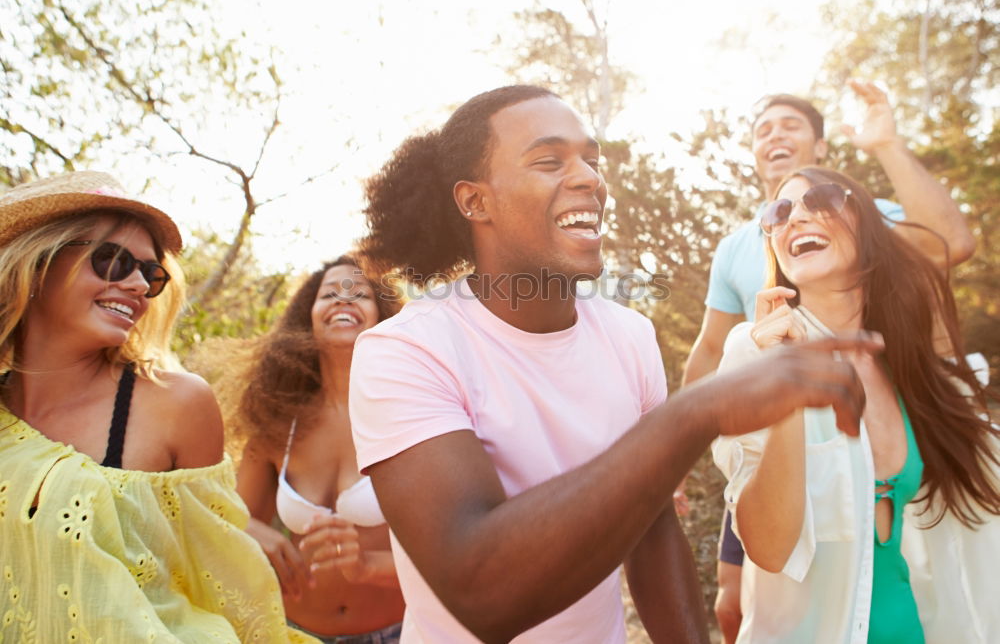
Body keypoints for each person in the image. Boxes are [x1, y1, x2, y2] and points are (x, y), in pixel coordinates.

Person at [347, 84, 885, 644]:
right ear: (475, 201)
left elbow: (653, 531)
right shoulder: (405, 352)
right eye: (550, 160)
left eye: (592, 160)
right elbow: (481, 594)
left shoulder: (629, 335)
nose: (590, 179)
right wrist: (695, 413)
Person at [679, 80, 976, 643]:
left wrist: (887, 146)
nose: (796, 219)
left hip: (907, 621)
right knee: (733, 600)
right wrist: (674, 439)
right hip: (764, 419)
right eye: (782, 211)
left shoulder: (899, 359)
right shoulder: (740, 258)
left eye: (790, 124)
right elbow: (712, 349)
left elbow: (950, 242)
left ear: (821, 144)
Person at [0, 171, 316, 642]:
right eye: (111, 260)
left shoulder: (177, 404)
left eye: (151, 275)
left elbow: (223, 583)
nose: (137, 286)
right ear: (38, 262)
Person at [235, 255, 405, 643]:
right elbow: (229, 521)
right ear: (307, 317)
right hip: (289, 631)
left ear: (383, 316)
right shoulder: (278, 420)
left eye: (358, 294)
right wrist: (252, 530)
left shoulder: (410, 414)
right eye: (330, 294)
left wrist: (367, 565)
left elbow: (449, 555)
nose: (343, 301)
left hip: (396, 632)